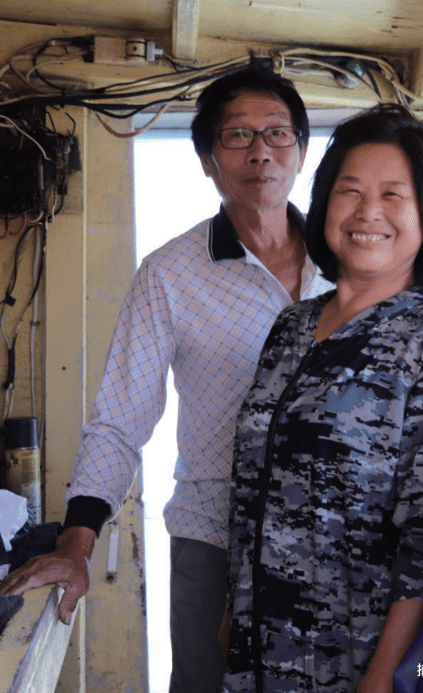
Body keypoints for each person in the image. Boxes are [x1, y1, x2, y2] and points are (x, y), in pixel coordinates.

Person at [0, 64, 333, 693]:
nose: (261, 151)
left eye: (277, 132)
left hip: (334, 531)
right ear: (208, 160)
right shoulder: (171, 274)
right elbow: (120, 420)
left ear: (301, 151)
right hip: (213, 535)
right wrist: (76, 543)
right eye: (237, 135)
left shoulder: (348, 258)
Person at [224, 103, 423, 693]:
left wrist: (385, 674)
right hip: (259, 649)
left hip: (353, 657)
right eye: (350, 191)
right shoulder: (292, 326)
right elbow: (251, 488)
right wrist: (233, 617)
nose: (368, 211)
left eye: (394, 195)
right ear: (325, 205)